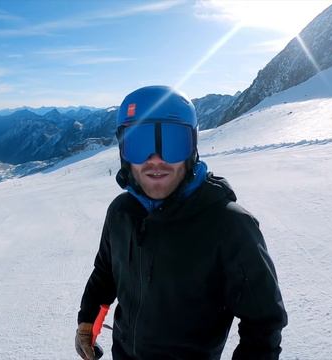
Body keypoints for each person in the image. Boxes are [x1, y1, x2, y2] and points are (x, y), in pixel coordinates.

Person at [75, 86, 287, 360]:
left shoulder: (229, 225)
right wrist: (87, 318)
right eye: (140, 144)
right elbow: (105, 273)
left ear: (192, 149)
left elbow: (263, 322)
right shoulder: (120, 212)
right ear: (124, 153)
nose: (155, 160)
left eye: (173, 143)